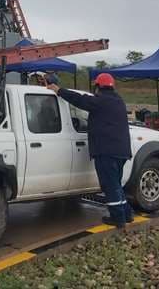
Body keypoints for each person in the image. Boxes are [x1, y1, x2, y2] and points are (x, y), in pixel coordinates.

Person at [46, 73, 133, 227]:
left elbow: (80, 100)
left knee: (110, 186)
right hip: (121, 151)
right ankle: (126, 214)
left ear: (98, 86)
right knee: (116, 184)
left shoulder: (100, 101)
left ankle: (118, 219)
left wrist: (59, 90)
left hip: (106, 151)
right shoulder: (118, 100)